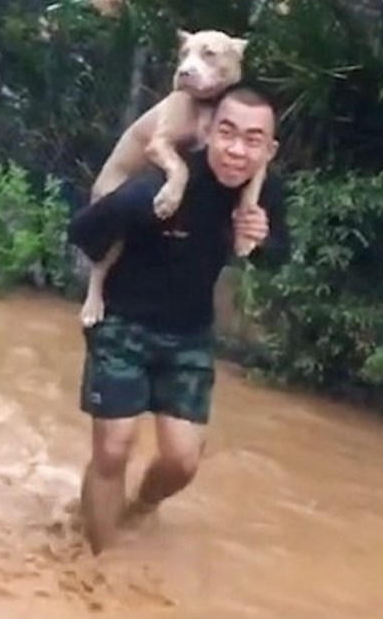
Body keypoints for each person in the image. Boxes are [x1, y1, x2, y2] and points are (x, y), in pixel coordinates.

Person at [67, 84, 290, 554]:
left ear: (267, 150)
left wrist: (261, 239)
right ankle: (97, 569)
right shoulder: (160, 185)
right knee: (114, 447)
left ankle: (138, 509)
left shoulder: (262, 192)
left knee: (182, 462)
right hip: (122, 321)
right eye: (226, 132)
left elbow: (276, 259)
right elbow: (83, 231)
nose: (236, 149)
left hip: (189, 332)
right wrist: (129, 216)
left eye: (252, 140)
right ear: (207, 132)